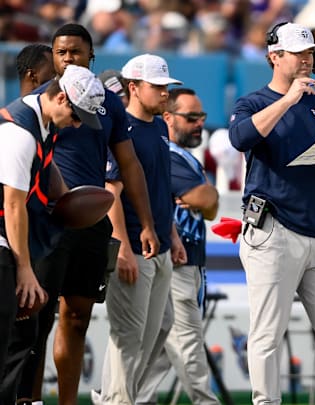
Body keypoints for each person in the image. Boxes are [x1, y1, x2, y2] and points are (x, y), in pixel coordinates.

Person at [12, 23, 159, 405]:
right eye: (60, 53)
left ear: (91, 55)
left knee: (77, 319)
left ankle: (66, 401)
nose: (67, 59)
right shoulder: (45, 101)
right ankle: (28, 400)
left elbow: (129, 164)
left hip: (90, 220)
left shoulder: (106, 102)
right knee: (36, 320)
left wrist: (145, 223)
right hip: (46, 221)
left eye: (75, 52)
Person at [227, 21, 315, 405]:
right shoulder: (254, 102)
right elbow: (240, 139)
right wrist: (287, 101)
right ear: (274, 56)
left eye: (310, 52)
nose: (306, 59)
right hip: (273, 230)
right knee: (267, 332)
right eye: (299, 53)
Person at [0, 65, 105, 403]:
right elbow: (13, 206)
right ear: (61, 97)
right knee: (9, 335)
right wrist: (26, 270)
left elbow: (47, 165)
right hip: (2, 242)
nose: (77, 125)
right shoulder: (19, 133)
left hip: (7, 240)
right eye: (76, 117)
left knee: (22, 331)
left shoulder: (43, 123)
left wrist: (66, 195)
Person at [100, 53, 186, 405]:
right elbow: (112, 192)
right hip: (135, 246)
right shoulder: (124, 130)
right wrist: (121, 247)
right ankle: (116, 401)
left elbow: (160, 185)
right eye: (157, 86)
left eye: (166, 87)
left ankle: (119, 398)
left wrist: (174, 234)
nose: (165, 93)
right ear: (133, 87)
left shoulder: (158, 127)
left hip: (160, 245)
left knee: (159, 328)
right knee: (129, 337)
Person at [136, 87, 220, 405]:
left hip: (189, 258)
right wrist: (202, 196)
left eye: (202, 117)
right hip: (176, 262)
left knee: (160, 350)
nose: (200, 123)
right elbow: (207, 199)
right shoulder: (167, 154)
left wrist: (204, 197)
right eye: (192, 117)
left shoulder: (184, 158)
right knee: (187, 344)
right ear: (168, 117)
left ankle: (119, 399)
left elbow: (209, 206)